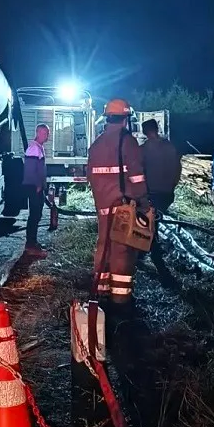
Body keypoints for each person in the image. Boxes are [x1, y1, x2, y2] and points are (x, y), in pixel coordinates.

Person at [87, 99, 149, 307]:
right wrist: (143, 203)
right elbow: (137, 177)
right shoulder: (127, 142)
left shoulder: (95, 145)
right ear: (125, 120)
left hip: (103, 205)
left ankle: (102, 290)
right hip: (122, 205)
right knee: (121, 249)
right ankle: (120, 298)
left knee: (103, 244)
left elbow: (91, 178)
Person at [139, 118, 181, 268]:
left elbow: (138, 171)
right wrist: (172, 185)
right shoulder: (170, 147)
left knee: (148, 222)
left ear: (144, 132)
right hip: (167, 192)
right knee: (155, 220)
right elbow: (178, 167)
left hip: (151, 192)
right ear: (157, 129)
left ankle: (150, 251)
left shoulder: (143, 150)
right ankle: (152, 249)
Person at [22, 123, 50, 256]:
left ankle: (33, 242)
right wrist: (38, 185)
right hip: (34, 187)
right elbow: (30, 170)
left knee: (37, 215)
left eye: (47, 133)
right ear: (38, 133)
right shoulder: (34, 148)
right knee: (34, 215)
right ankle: (30, 244)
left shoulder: (38, 147)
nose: (46, 135)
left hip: (36, 186)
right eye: (44, 133)